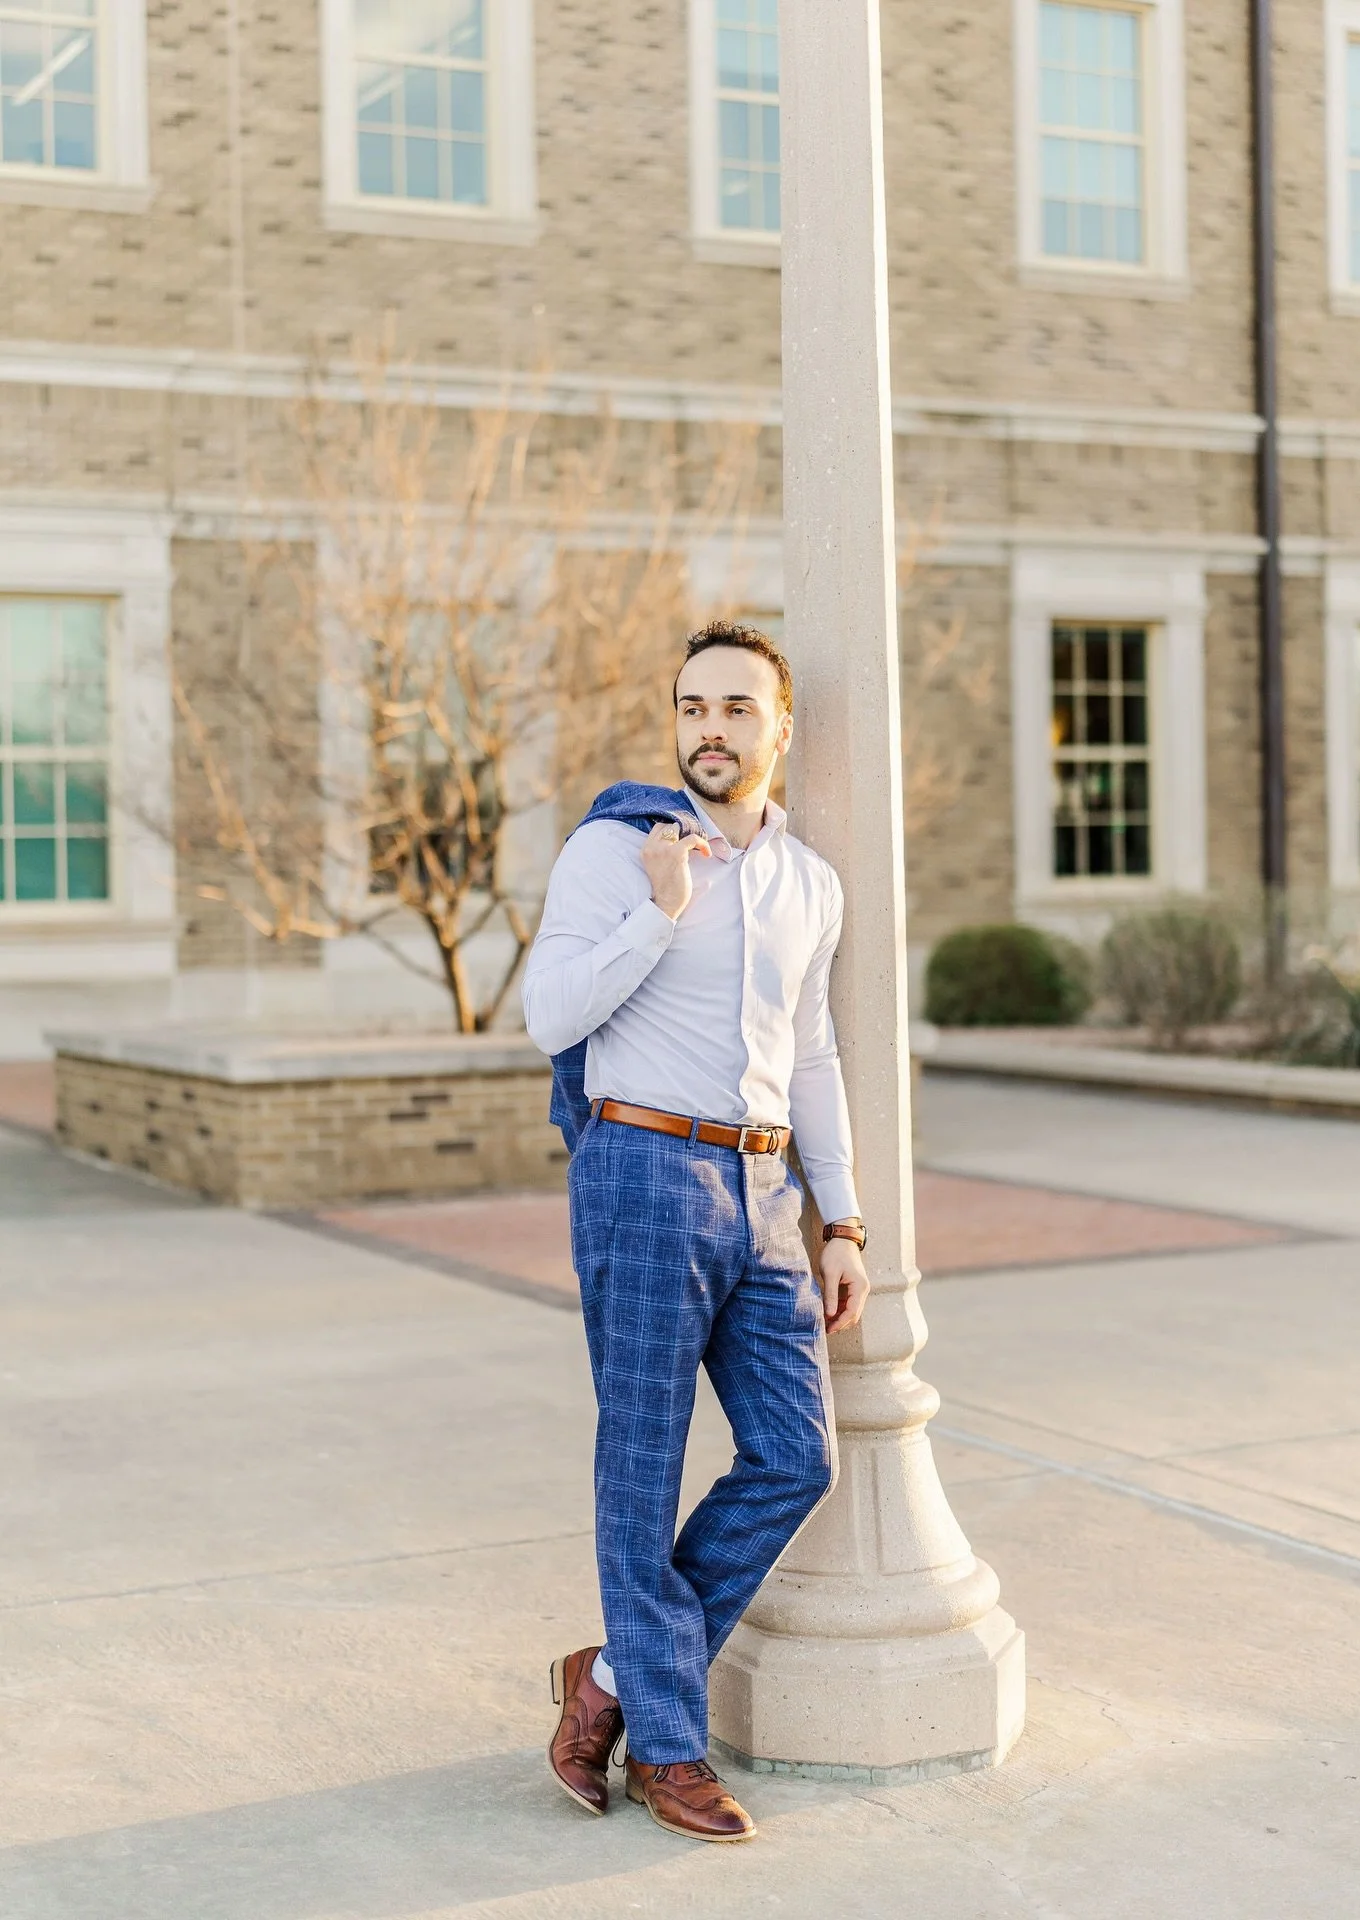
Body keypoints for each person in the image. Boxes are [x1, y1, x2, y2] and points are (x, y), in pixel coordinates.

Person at [522, 619, 869, 1844]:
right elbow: (548, 1011)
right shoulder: (620, 851)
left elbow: (812, 1055)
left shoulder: (807, 883)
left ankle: (611, 1680)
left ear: (781, 728)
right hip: (644, 1168)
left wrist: (846, 1223)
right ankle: (669, 1746)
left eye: (735, 708)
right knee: (642, 1458)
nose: (710, 729)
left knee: (795, 1453)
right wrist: (658, 914)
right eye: (691, 709)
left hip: (768, 1196)